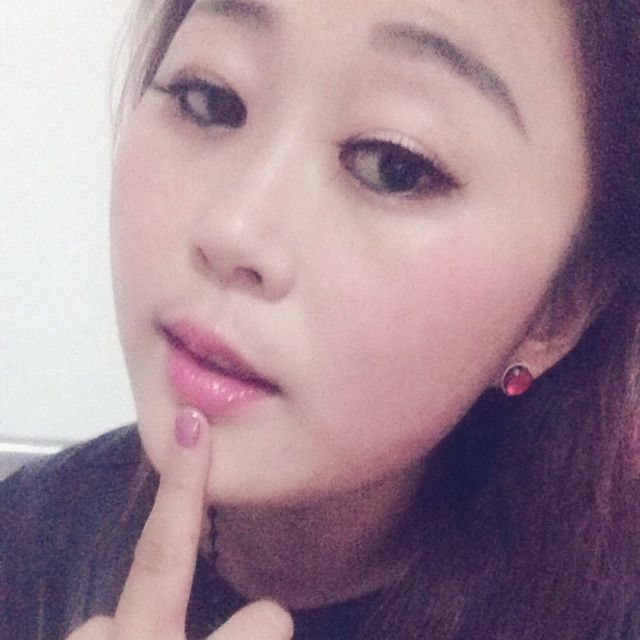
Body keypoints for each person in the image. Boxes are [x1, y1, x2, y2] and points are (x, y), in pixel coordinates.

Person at [2, 0, 639, 638]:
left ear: (560, 309)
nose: (232, 231)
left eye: (393, 166)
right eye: (210, 99)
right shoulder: (25, 543)